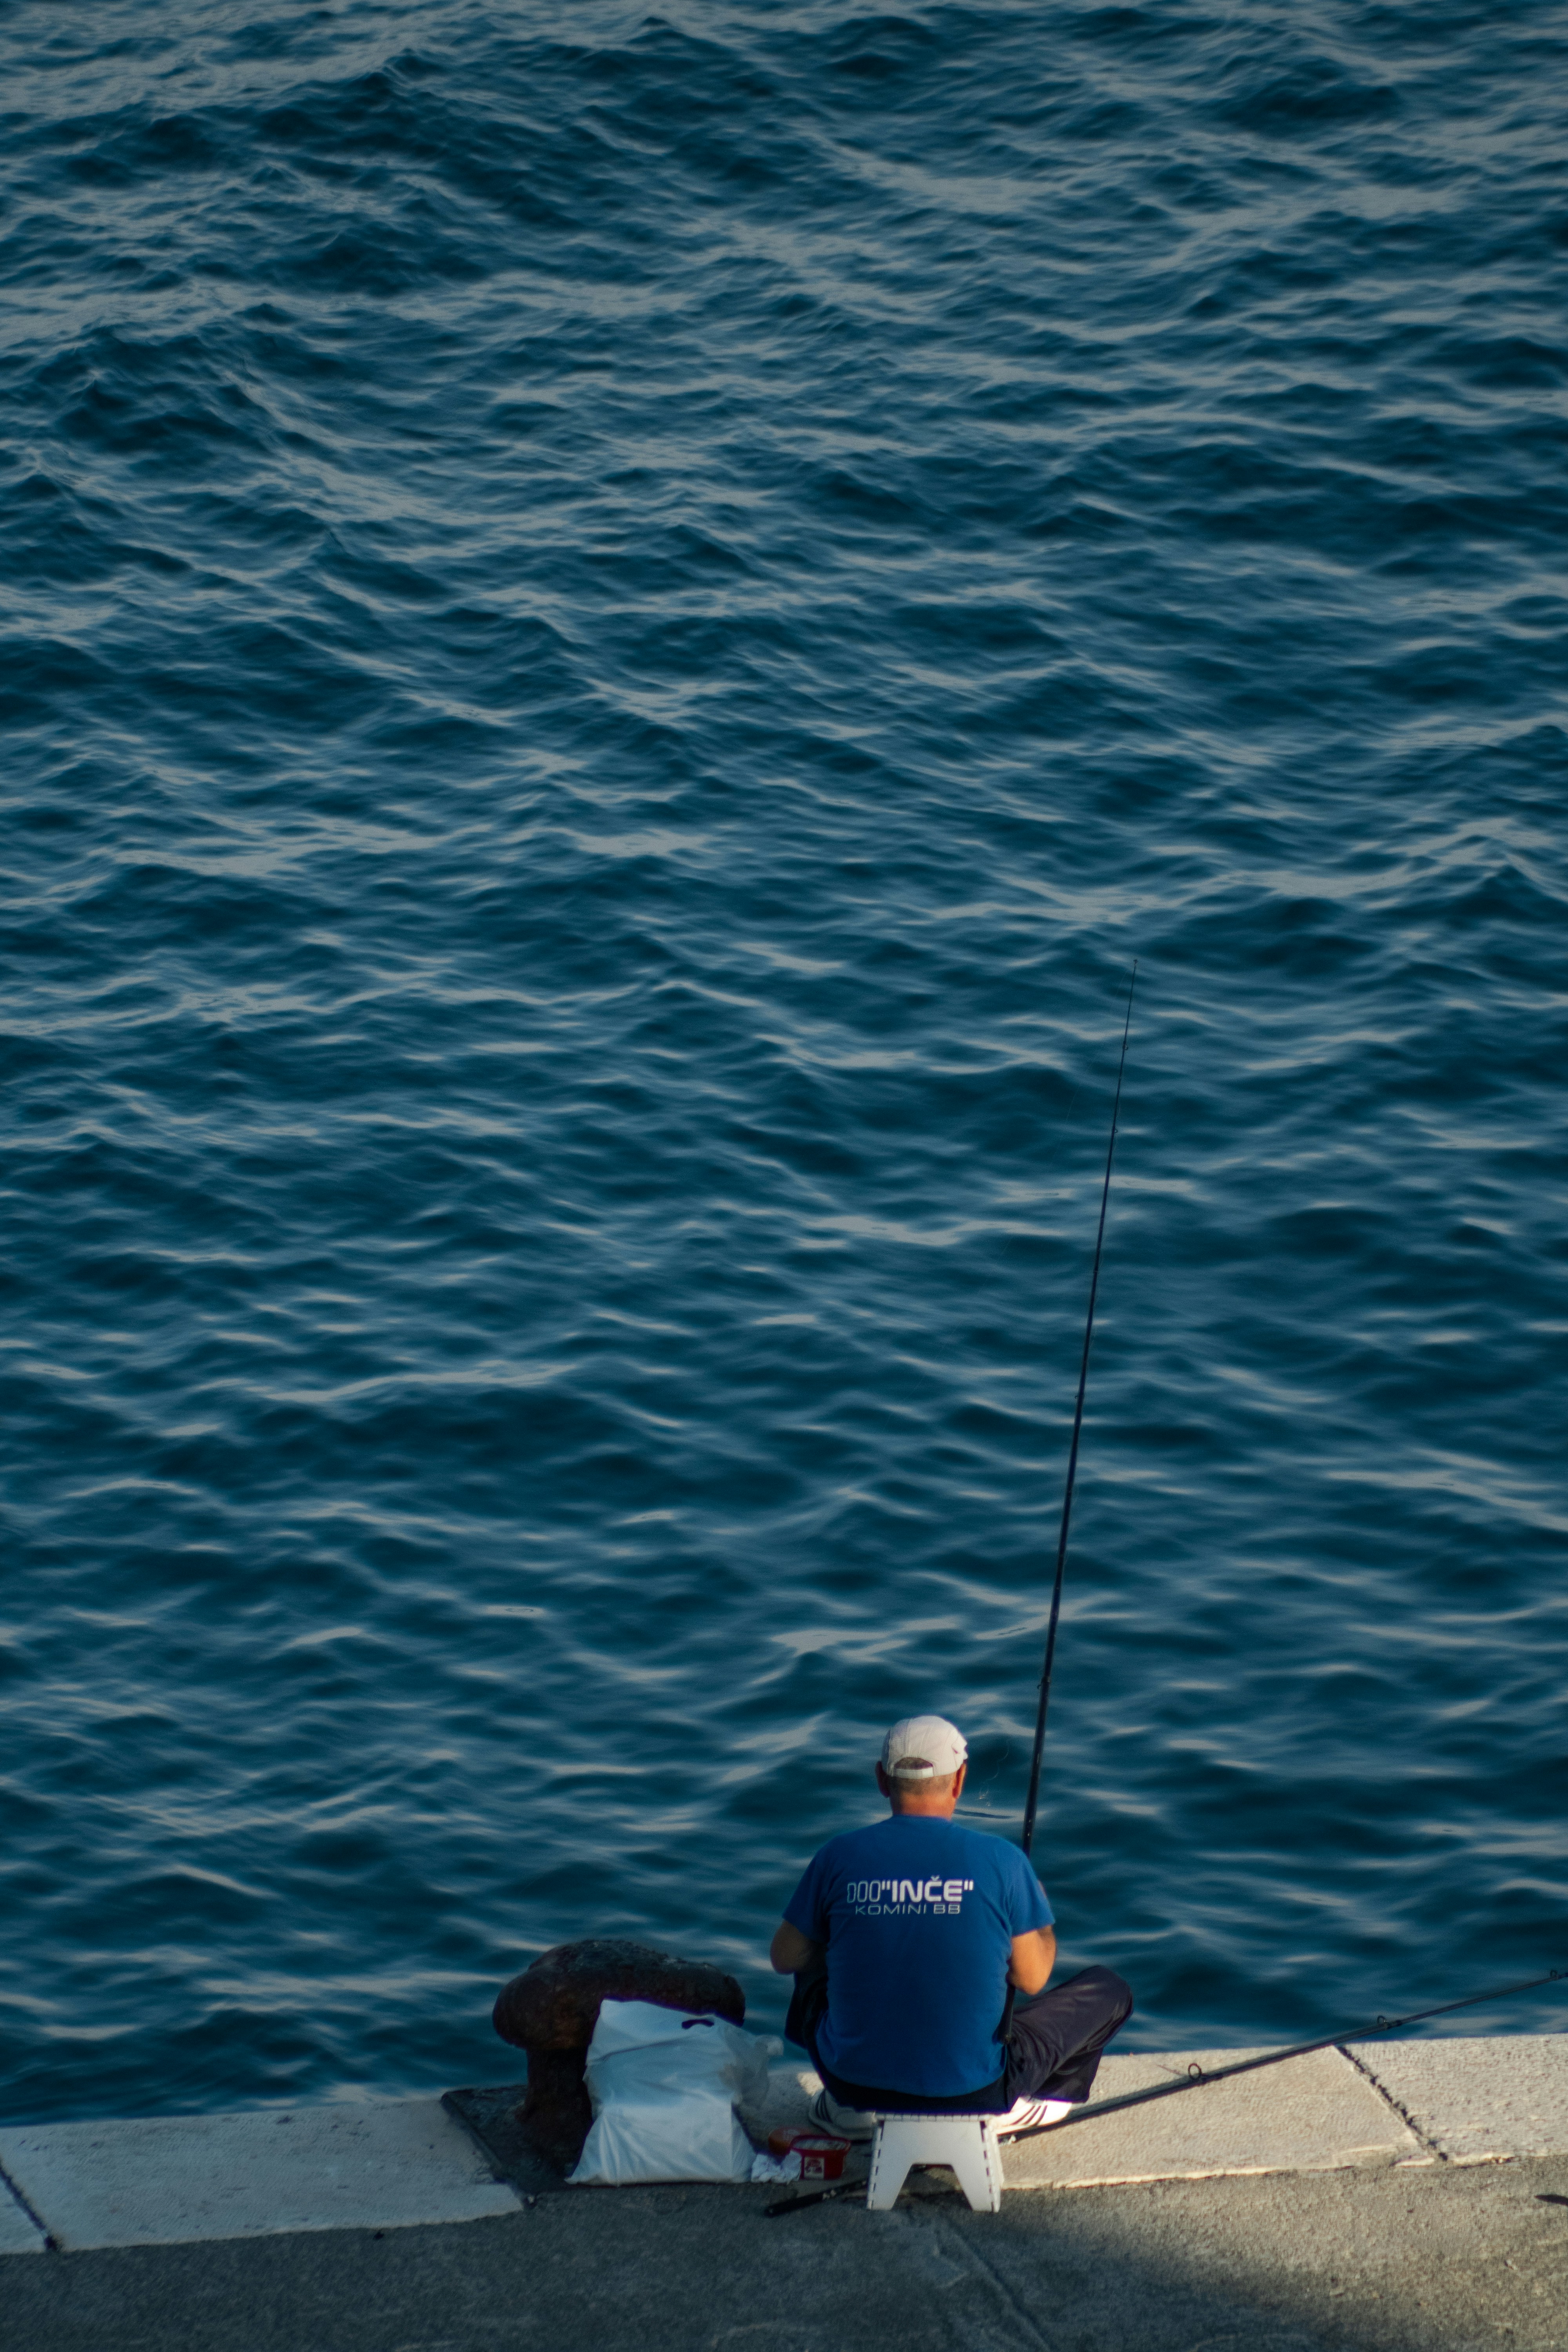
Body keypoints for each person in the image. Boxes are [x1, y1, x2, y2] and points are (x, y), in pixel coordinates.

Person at [770, 1713, 1133, 2138]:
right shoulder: (1003, 1861)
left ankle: (845, 2113)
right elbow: (1032, 1978)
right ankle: (1023, 2107)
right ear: (959, 1780)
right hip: (974, 2090)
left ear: (881, 1780)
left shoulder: (837, 1856)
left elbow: (784, 1958)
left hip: (851, 2083)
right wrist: (1041, 1922)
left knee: (810, 1945)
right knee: (1109, 1990)